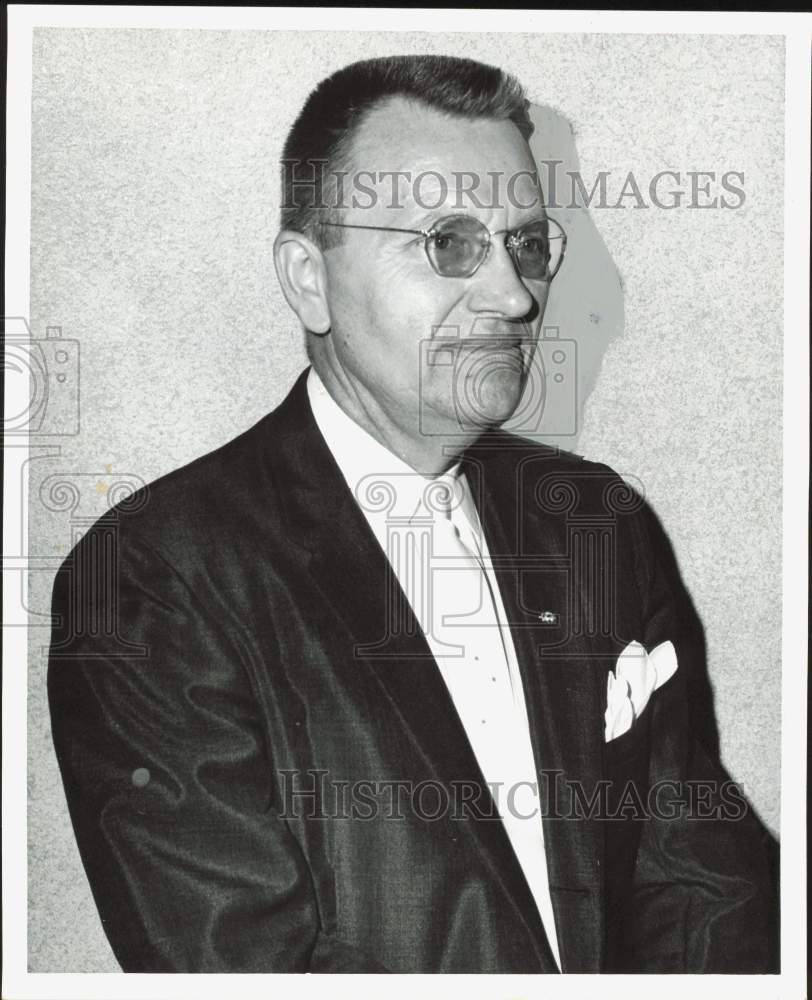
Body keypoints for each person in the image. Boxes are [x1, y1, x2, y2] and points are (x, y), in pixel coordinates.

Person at [48, 54, 777, 974]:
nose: (515, 297)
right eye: (450, 245)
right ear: (309, 279)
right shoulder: (154, 578)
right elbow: (239, 968)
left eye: (527, 245)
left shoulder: (596, 519)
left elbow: (708, 885)